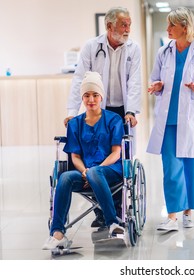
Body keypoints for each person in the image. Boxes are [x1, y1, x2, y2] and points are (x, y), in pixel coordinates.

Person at [65, 6, 142, 227]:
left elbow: (134, 81)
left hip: (121, 111)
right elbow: (80, 79)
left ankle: (116, 209)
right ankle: (100, 210)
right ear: (109, 26)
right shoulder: (92, 46)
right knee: (95, 159)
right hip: (97, 108)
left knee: (117, 161)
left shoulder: (133, 49)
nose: (128, 29)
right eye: (123, 24)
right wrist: (72, 113)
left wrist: (132, 111)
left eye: (129, 24)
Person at [147, 7, 194, 231]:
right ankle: (171, 216)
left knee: (190, 165)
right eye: (168, 25)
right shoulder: (163, 52)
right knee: (171, 167)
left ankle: (188, 211)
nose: (167, 29)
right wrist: (157, 86)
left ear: (185, 27)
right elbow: (155, 79)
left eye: (172, 25)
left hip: (190, 119)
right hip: (168, 119)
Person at [43, 72, 125, 250]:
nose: (91, 99)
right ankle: (57, 233)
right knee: (65, 177)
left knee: (96, 171)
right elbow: (75, 157)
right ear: (82, 98)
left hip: (110, 170)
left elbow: (116, 153)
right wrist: (85, 172)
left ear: (101, 96)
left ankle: (113, 223)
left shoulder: (114, 119)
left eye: (95, 95)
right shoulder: (75, 124)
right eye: (87, 95)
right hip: (85, 171)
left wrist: (95, 171)